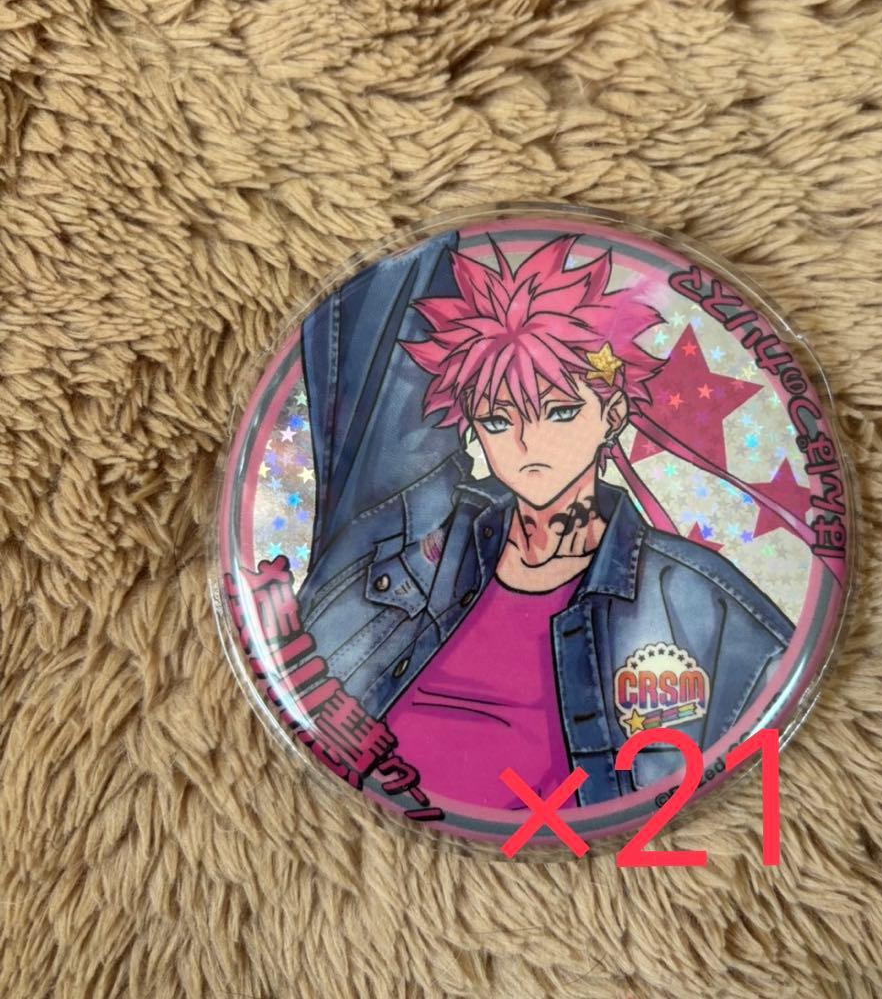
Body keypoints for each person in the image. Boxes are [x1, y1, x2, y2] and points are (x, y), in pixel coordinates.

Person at [296, 229, 793, 808]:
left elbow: (762, 752)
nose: (528, 443)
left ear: (611, 413)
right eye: (497, 420)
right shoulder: (423, 553)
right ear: (471, 427)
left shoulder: (692, 598)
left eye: (559, 412)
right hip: (363, 826)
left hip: (568, 854)